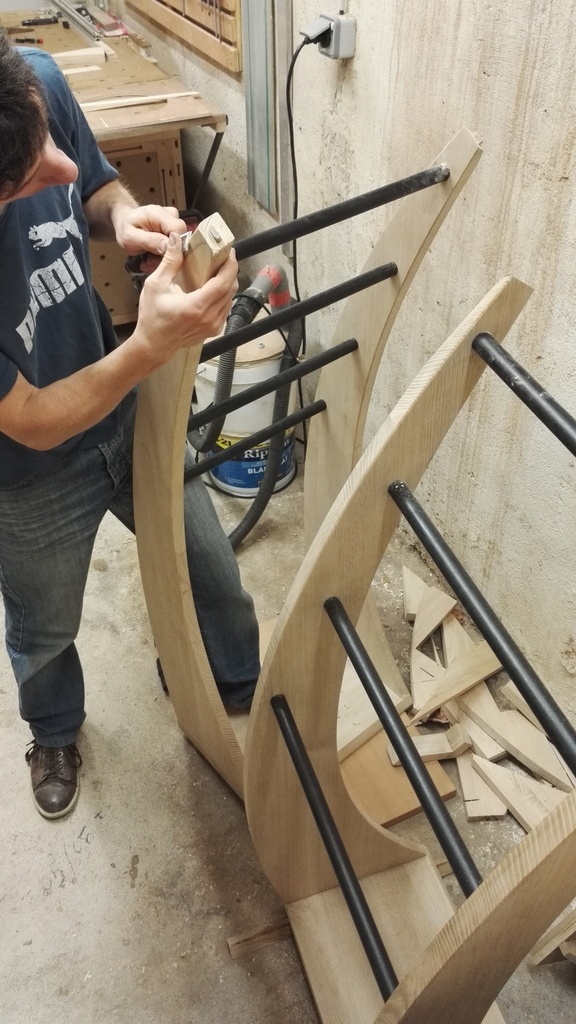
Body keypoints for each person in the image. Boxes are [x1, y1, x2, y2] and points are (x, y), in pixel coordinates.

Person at [0, 34, 260, 820]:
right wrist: (150, 347)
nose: (60, 168)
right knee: (44, 625)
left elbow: (92, 183)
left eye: (47, 137)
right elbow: (29, 419)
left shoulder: (30, 81)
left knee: (207, 563)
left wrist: (124, 215)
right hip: (30, 477)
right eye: (26, 179)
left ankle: (230, 678)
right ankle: (54, 729)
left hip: (126, 412)